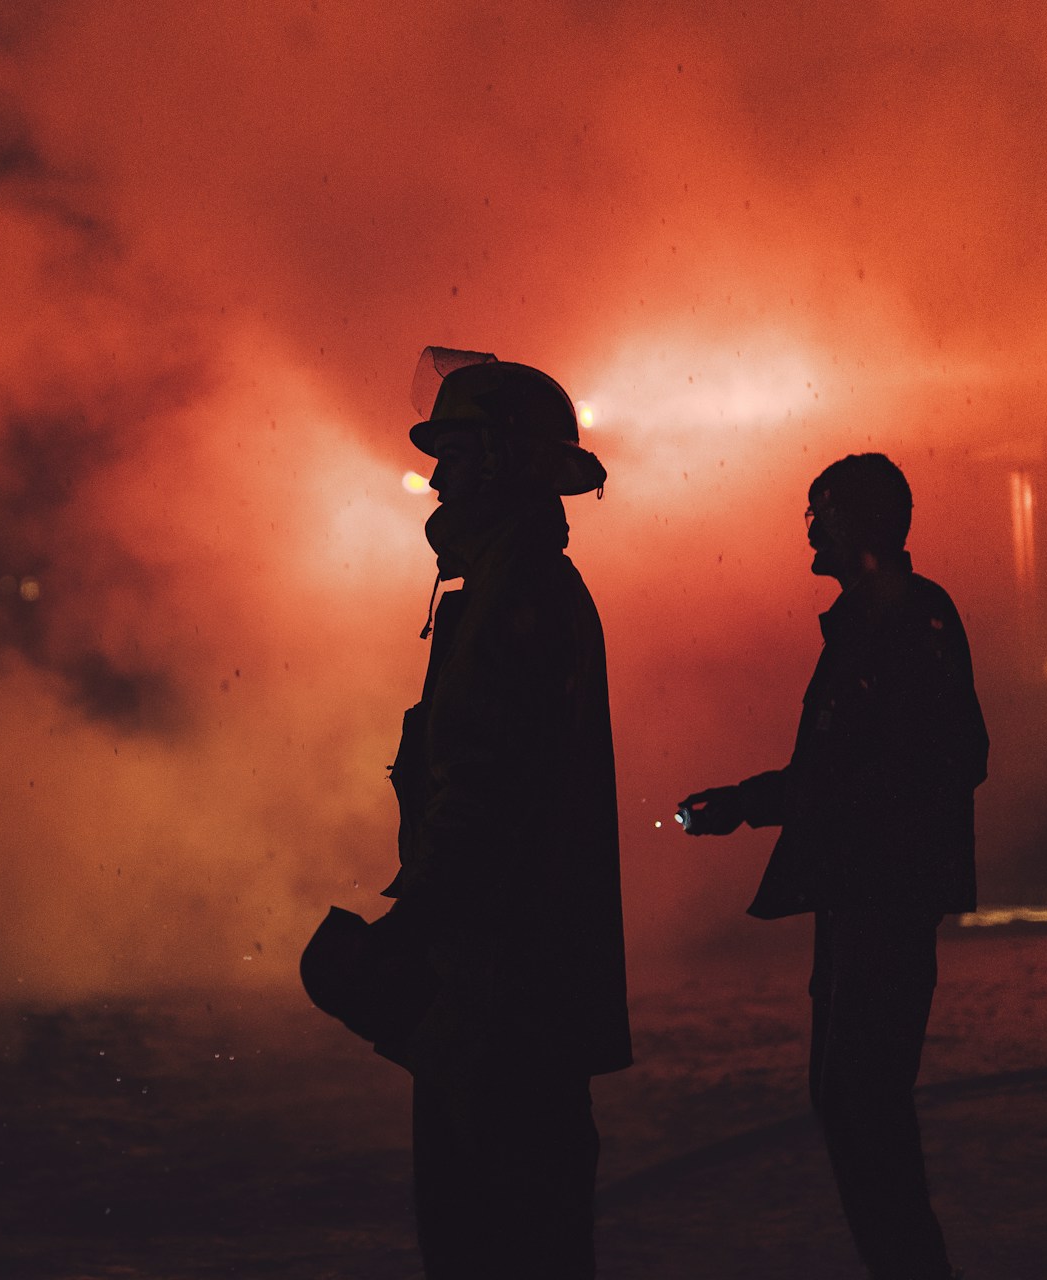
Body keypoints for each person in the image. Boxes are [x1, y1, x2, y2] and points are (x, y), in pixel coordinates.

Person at [680, 452, 985, 1280]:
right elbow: (861, 769)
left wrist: (757, 804)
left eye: (819, 513)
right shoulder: (895, 620)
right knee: (855, 1104)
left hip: (877, 902)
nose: (808, 529)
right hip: (868, 898)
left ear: (854, 523)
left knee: (860, 1106)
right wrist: (750, 802)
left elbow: (908, 763)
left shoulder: (899, 624)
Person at [384, 348, 631, 1279]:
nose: (437, 476)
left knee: (490, 1232)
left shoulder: (513, 593)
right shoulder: (512, 585)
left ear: (497, 461)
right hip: (513, 977)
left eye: (454, 452)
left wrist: (417, 929)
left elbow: (483, 791)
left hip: (502, 984)